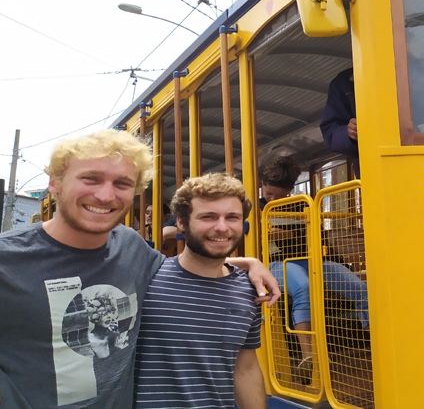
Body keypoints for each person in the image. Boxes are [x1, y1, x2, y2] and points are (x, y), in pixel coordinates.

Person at [0, 129, 279, 409]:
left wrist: (248, 264)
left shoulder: (131, 247)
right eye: (90, 178)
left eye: (122, 183)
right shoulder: (7, 258)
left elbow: (195, 264)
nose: (105, 195)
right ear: (54, 183)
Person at [134, 174, 265, 408]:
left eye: (232, 217)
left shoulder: (248, 289)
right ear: (181, 223)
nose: (222, 227)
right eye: (208, 217)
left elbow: (245, 368)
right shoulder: (147, 276)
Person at [260, 156, 369, 383]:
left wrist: (287, 234)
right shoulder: (254, 207)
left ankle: (373, 344)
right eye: (268, 193)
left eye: (278, 196)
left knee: (360, 289)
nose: (271, 199)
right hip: (276, 263)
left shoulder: (303, 203)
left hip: (311, 259)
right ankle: (308, 355)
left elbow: (318, 237)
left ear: (290, 190)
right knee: (304, 287)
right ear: (262, 185)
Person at [320, 67, 360, 178]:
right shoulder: (344, 82)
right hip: (372, 172)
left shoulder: (410, 66)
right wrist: (348, 133)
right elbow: (330, 132)